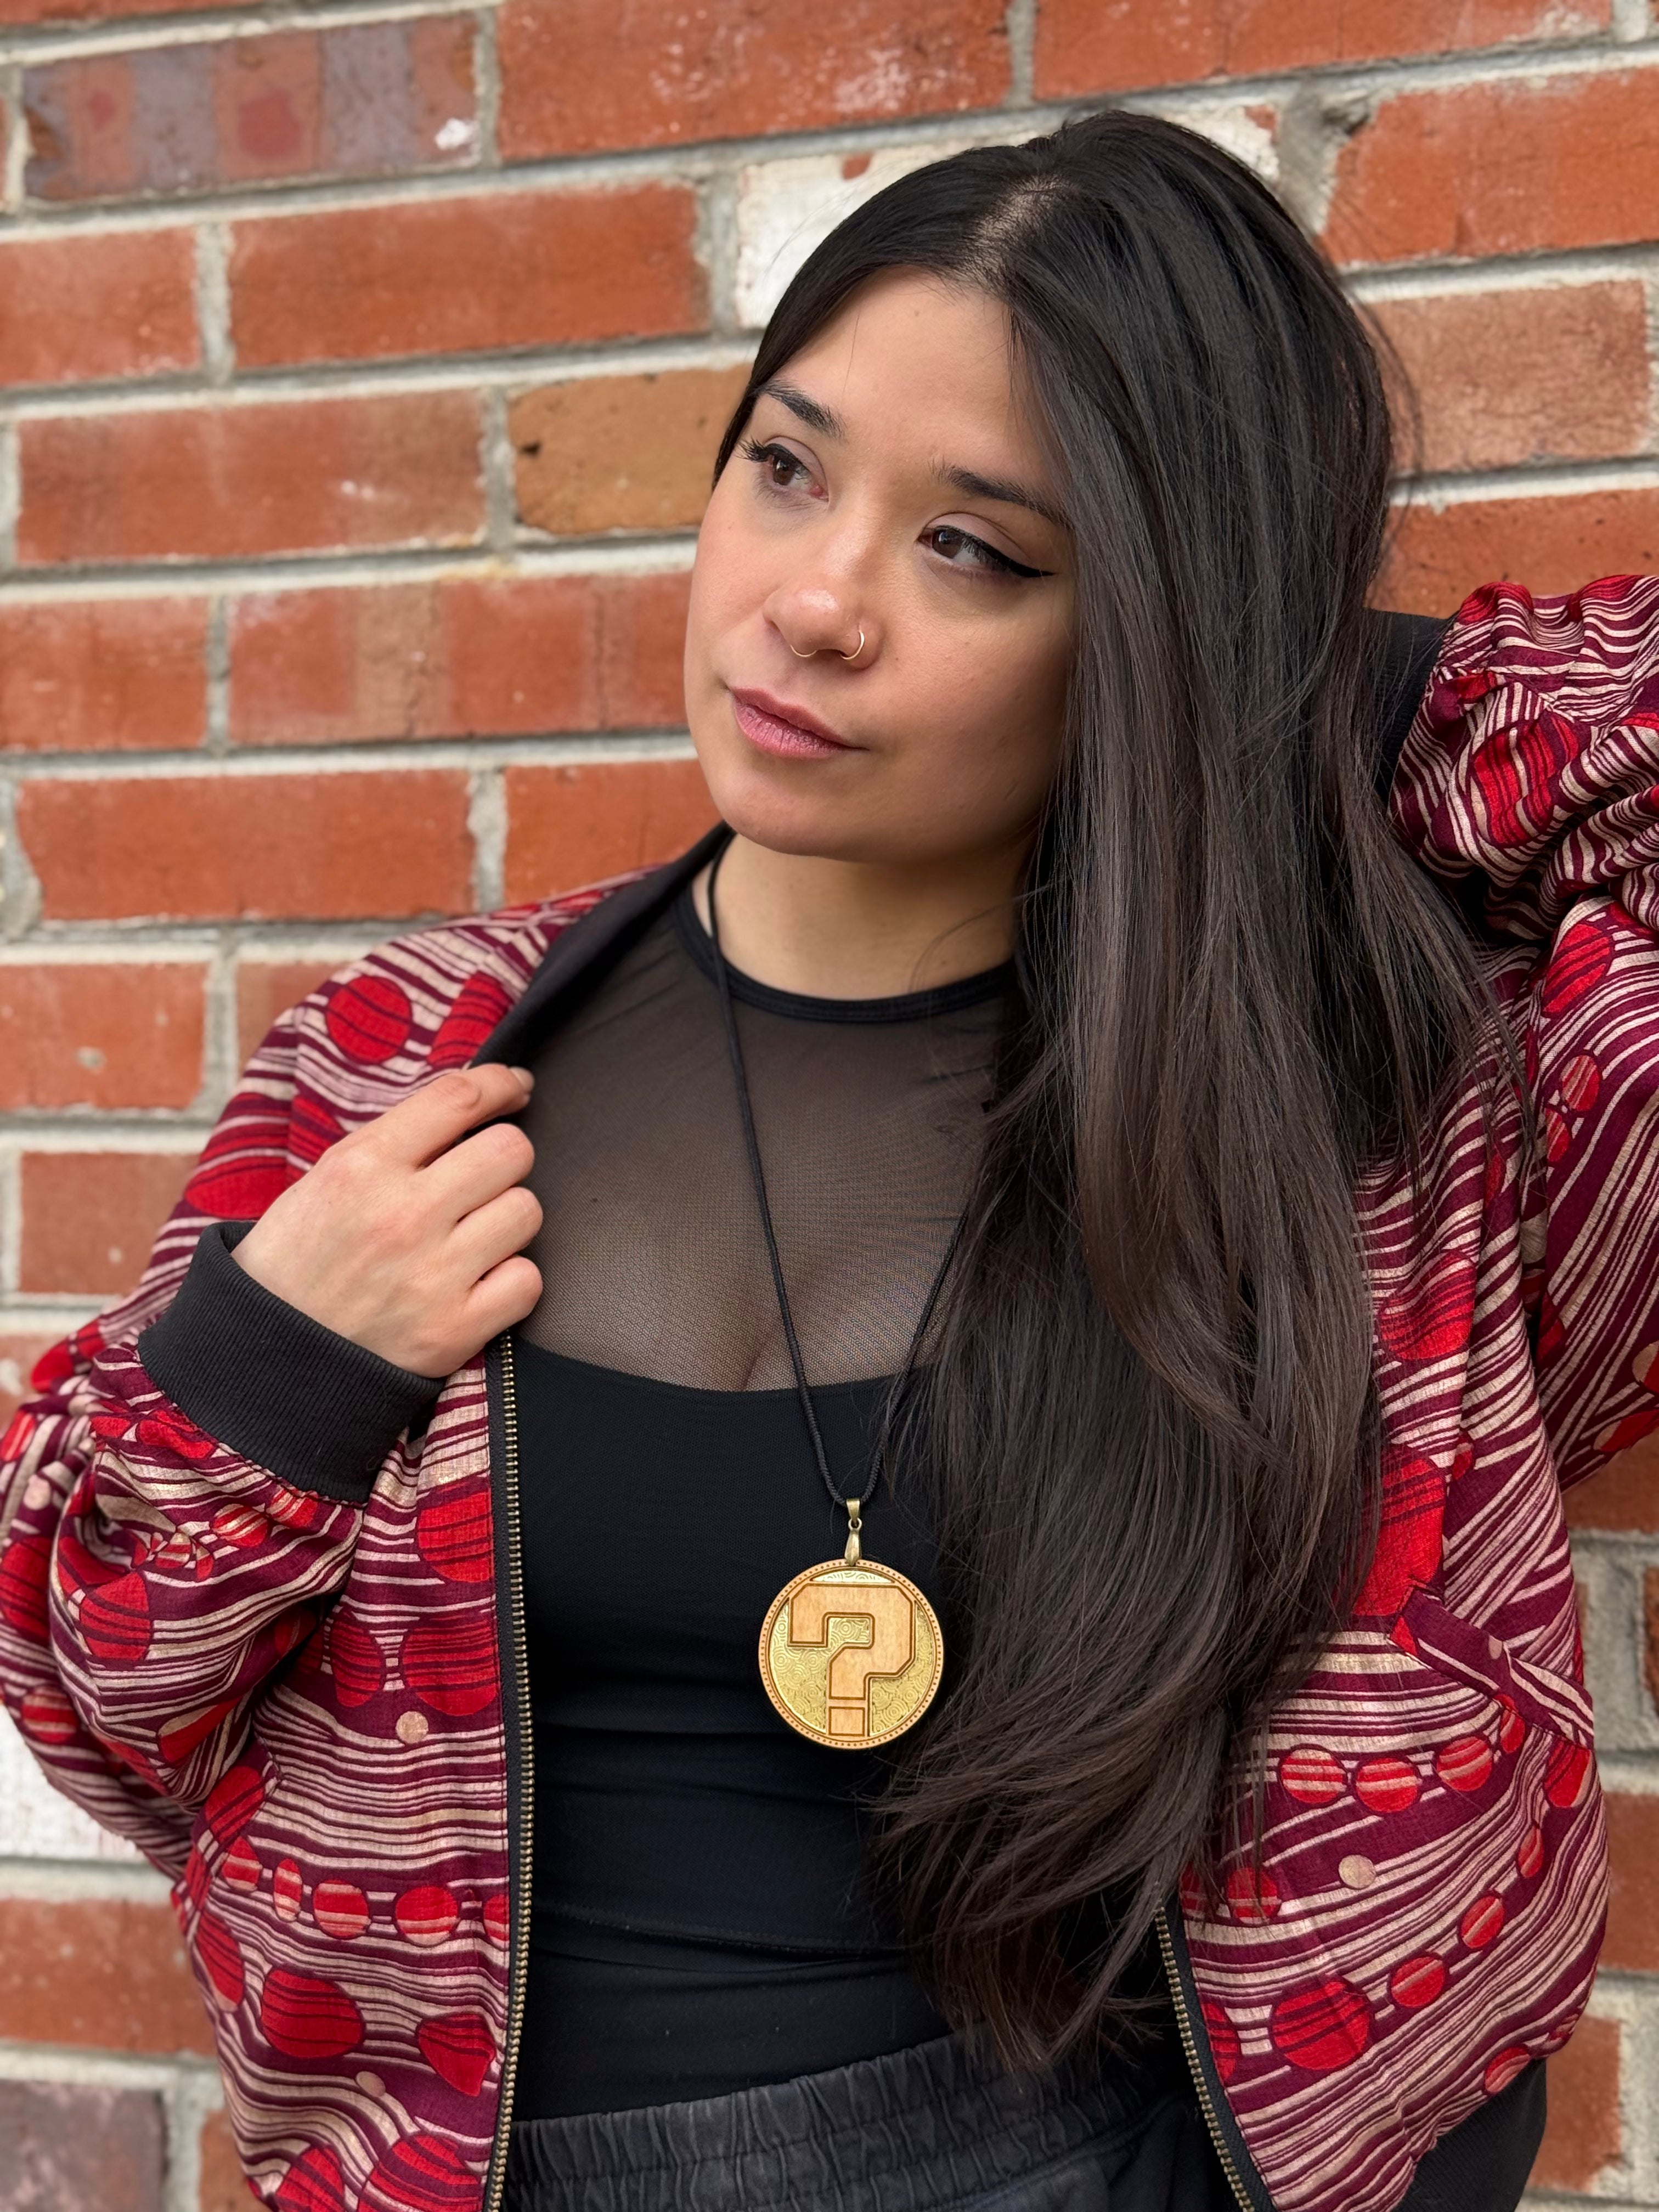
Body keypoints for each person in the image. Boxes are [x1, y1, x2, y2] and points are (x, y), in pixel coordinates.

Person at [0, 109, 1646, 2212]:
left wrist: (1296, 690)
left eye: (979, 546)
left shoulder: (1356, 1123)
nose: (815, 603)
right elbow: (96, 1699)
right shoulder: (404, 1055)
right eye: (785, 468)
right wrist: (267, 1364)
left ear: (1148, 622)